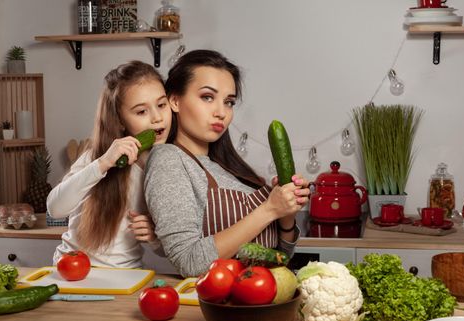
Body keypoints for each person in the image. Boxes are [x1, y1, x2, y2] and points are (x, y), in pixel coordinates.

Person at [145, 50, 310, 277]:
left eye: (229, 102)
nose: (221, 113)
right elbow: (189, 262)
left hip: (263, 297)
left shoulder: (228, 168)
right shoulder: (168, 160)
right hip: (221, 305)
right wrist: (269, 209)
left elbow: (280, 256)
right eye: (207, 97)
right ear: (174, 101)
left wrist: (286, 213)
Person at [48, 60, 172, 268]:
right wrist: (103, 163)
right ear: (120, 120)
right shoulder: (95, 158)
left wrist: (153, 237)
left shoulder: (166, 169)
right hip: (71, 269)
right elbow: (55, 208)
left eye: (161, 105)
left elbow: (163, 251)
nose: (157, 118)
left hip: (125, 275)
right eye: (141, 111)